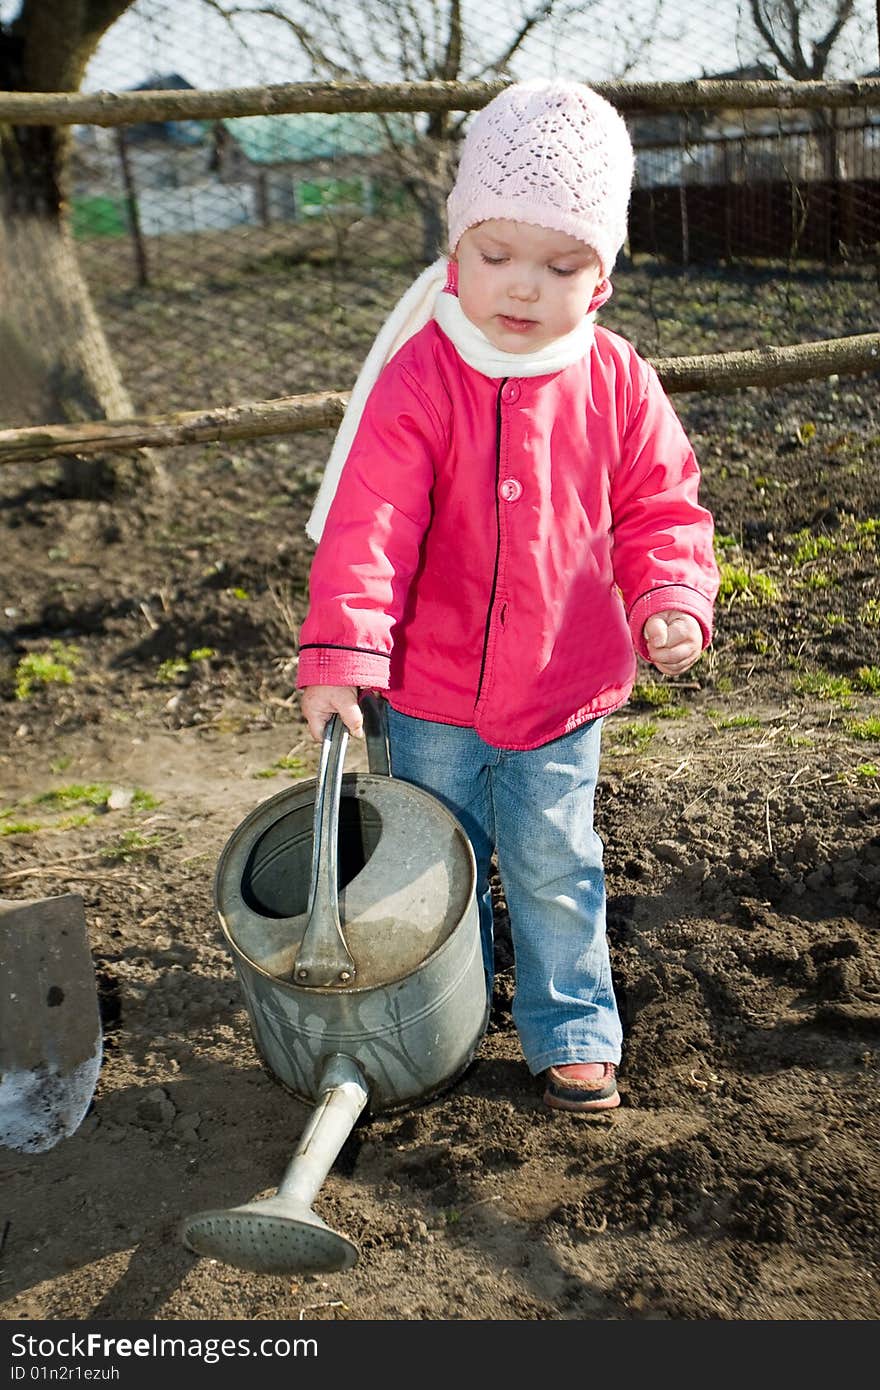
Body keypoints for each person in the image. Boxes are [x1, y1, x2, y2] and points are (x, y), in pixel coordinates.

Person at [296, 79, 719, 1113]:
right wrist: (343, 656)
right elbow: (369, 529)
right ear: (455, 250)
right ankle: (438, 1022)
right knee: (430, 871)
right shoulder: (419, 378)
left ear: (603, 278)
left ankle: (571, 1025)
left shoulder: (616, 381)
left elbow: (664, 507)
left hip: (560, 689)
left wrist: (666, 593)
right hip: (433, 693)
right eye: (497, 256)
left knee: (554, 863)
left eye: (561, 264)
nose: (523, 287)